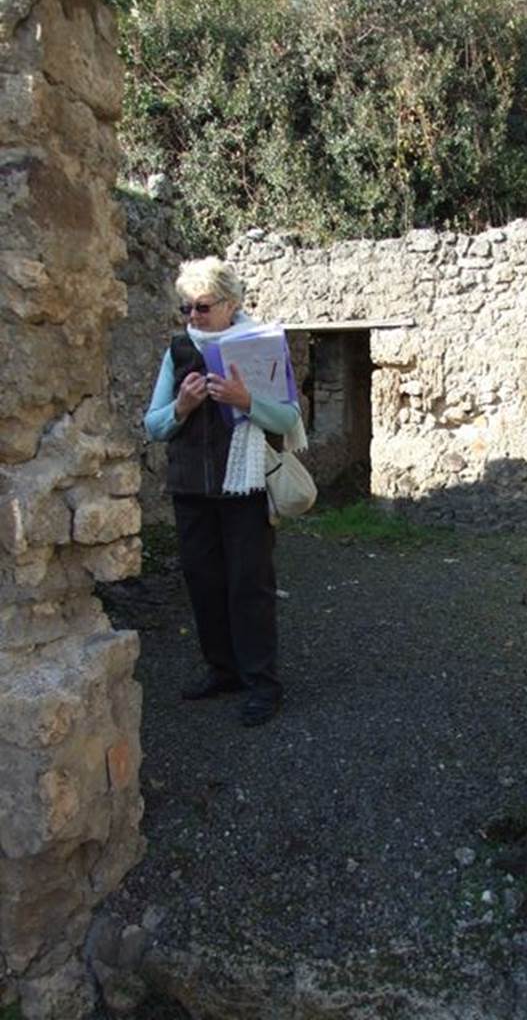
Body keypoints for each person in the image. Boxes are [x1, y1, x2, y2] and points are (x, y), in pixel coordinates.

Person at [144, 256, 305, 727]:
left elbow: (289, 418)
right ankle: (223, 671)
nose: (192, 317)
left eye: (203, 306)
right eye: (186, 308)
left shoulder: (261, 345)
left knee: (249, 588)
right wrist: (181, 406)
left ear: (231, 304)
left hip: (246, 489)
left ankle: (262, 685)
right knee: (204, 584)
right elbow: (153, 426)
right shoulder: (178, 351)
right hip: (191, 488)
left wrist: (246, 401)